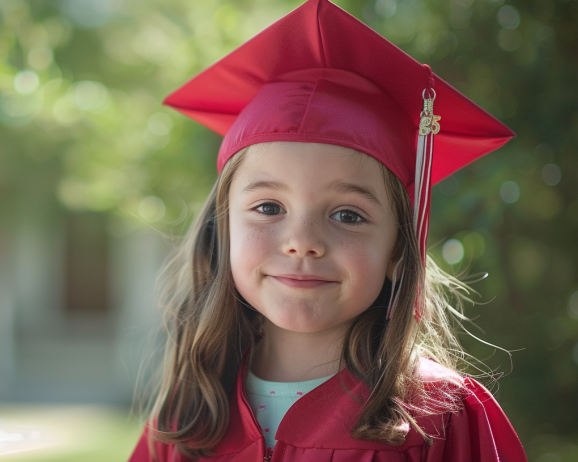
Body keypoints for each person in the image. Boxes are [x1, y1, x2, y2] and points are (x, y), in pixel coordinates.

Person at [127, 0, 527, 460]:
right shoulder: (186, 419)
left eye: (348, 215)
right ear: (223, 229)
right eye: (269, 206)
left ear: (399, 245)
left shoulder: (441, 417)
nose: (303, 241)